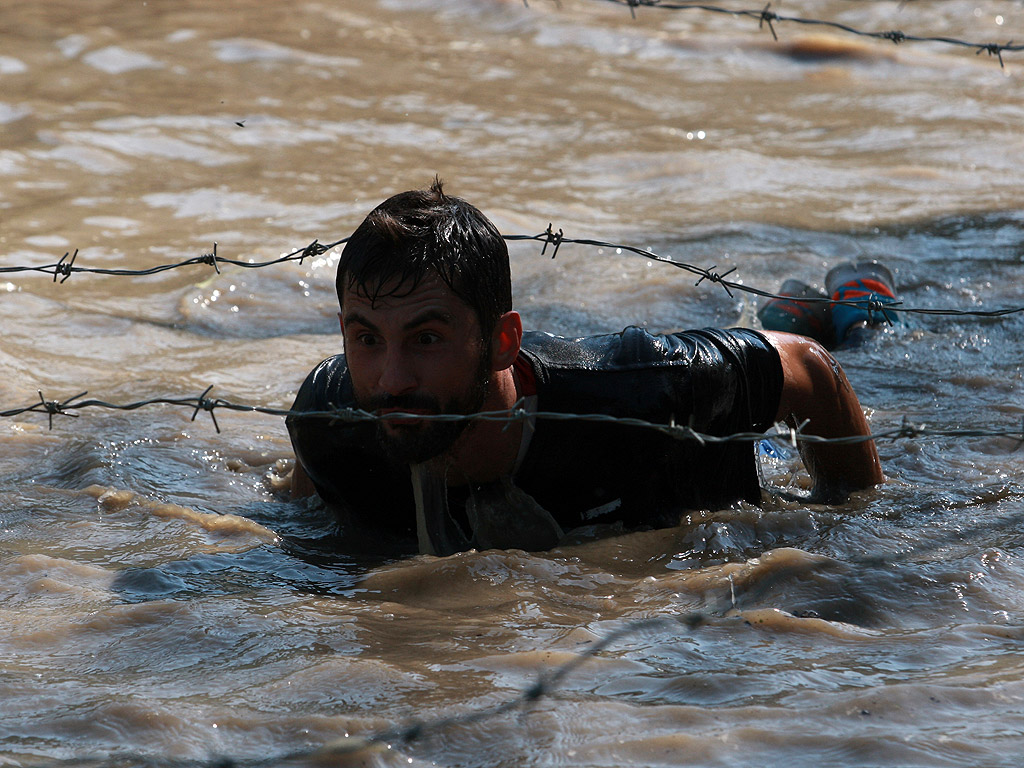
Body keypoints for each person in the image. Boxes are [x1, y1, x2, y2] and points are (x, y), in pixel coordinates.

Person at [286, 180, 884, 556]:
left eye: (427, 338)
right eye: (366, 337)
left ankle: (854, 298)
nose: (391, 380)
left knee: (838, 339)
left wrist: (844, 517)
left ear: (501, 340)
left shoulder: (639, 389)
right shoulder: (328, 418)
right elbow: (312, 486)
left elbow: (808, 370)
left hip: (697, 441)